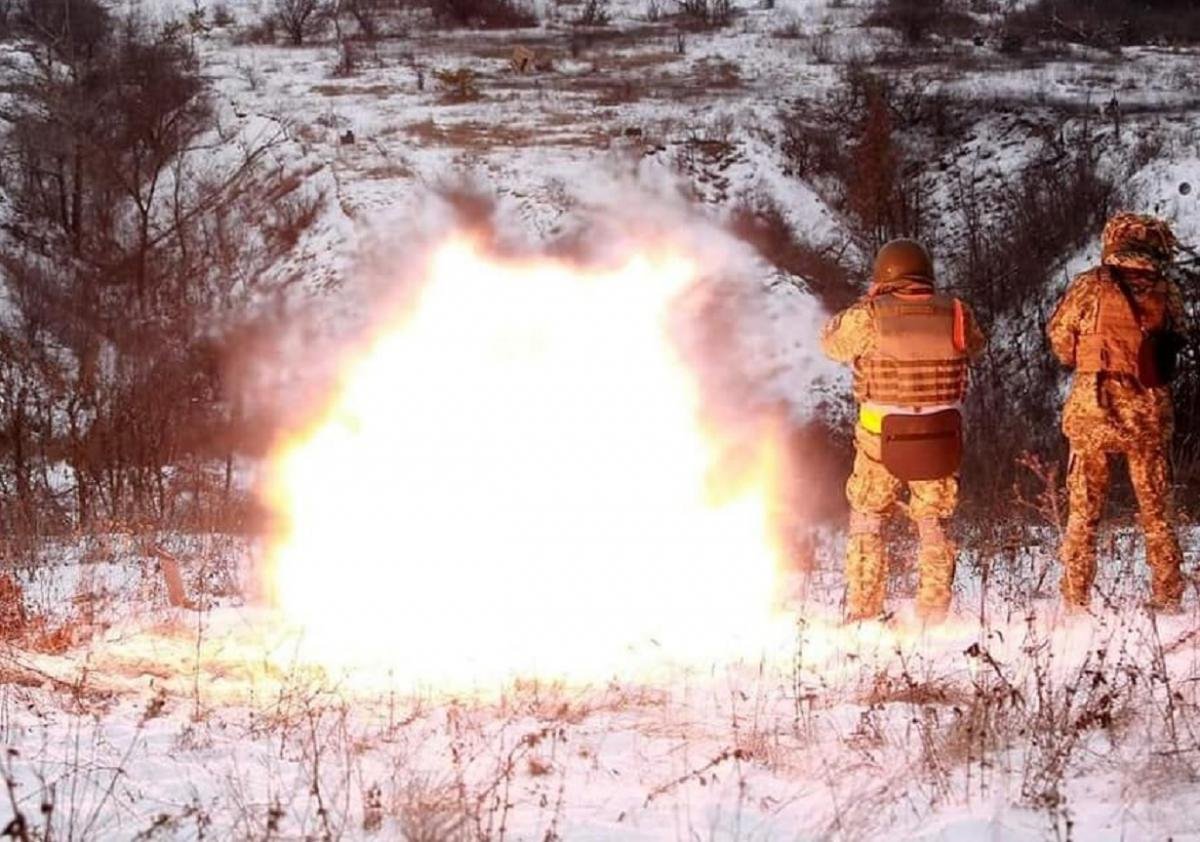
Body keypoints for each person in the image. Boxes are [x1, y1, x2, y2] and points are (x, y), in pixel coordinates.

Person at [821, 239, 987, 623]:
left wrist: (864, 305)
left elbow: (831, 344)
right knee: (933, 523)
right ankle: (932, 614)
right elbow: (976, 346)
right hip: (940, 437)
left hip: (880, 438)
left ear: (885, 275)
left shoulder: (868, 316)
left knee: (867, 518)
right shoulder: (958, 312)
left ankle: (865, 612)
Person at [1047, 212, 1187, 613]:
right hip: (1148, 414)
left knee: (1084, 512)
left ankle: (1075, 600)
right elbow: (1178, 339)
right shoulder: (1166, 290)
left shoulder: (1089, 286)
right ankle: (1167, 596)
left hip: (1094, 409)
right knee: (1157, 512)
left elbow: (1061, 340)